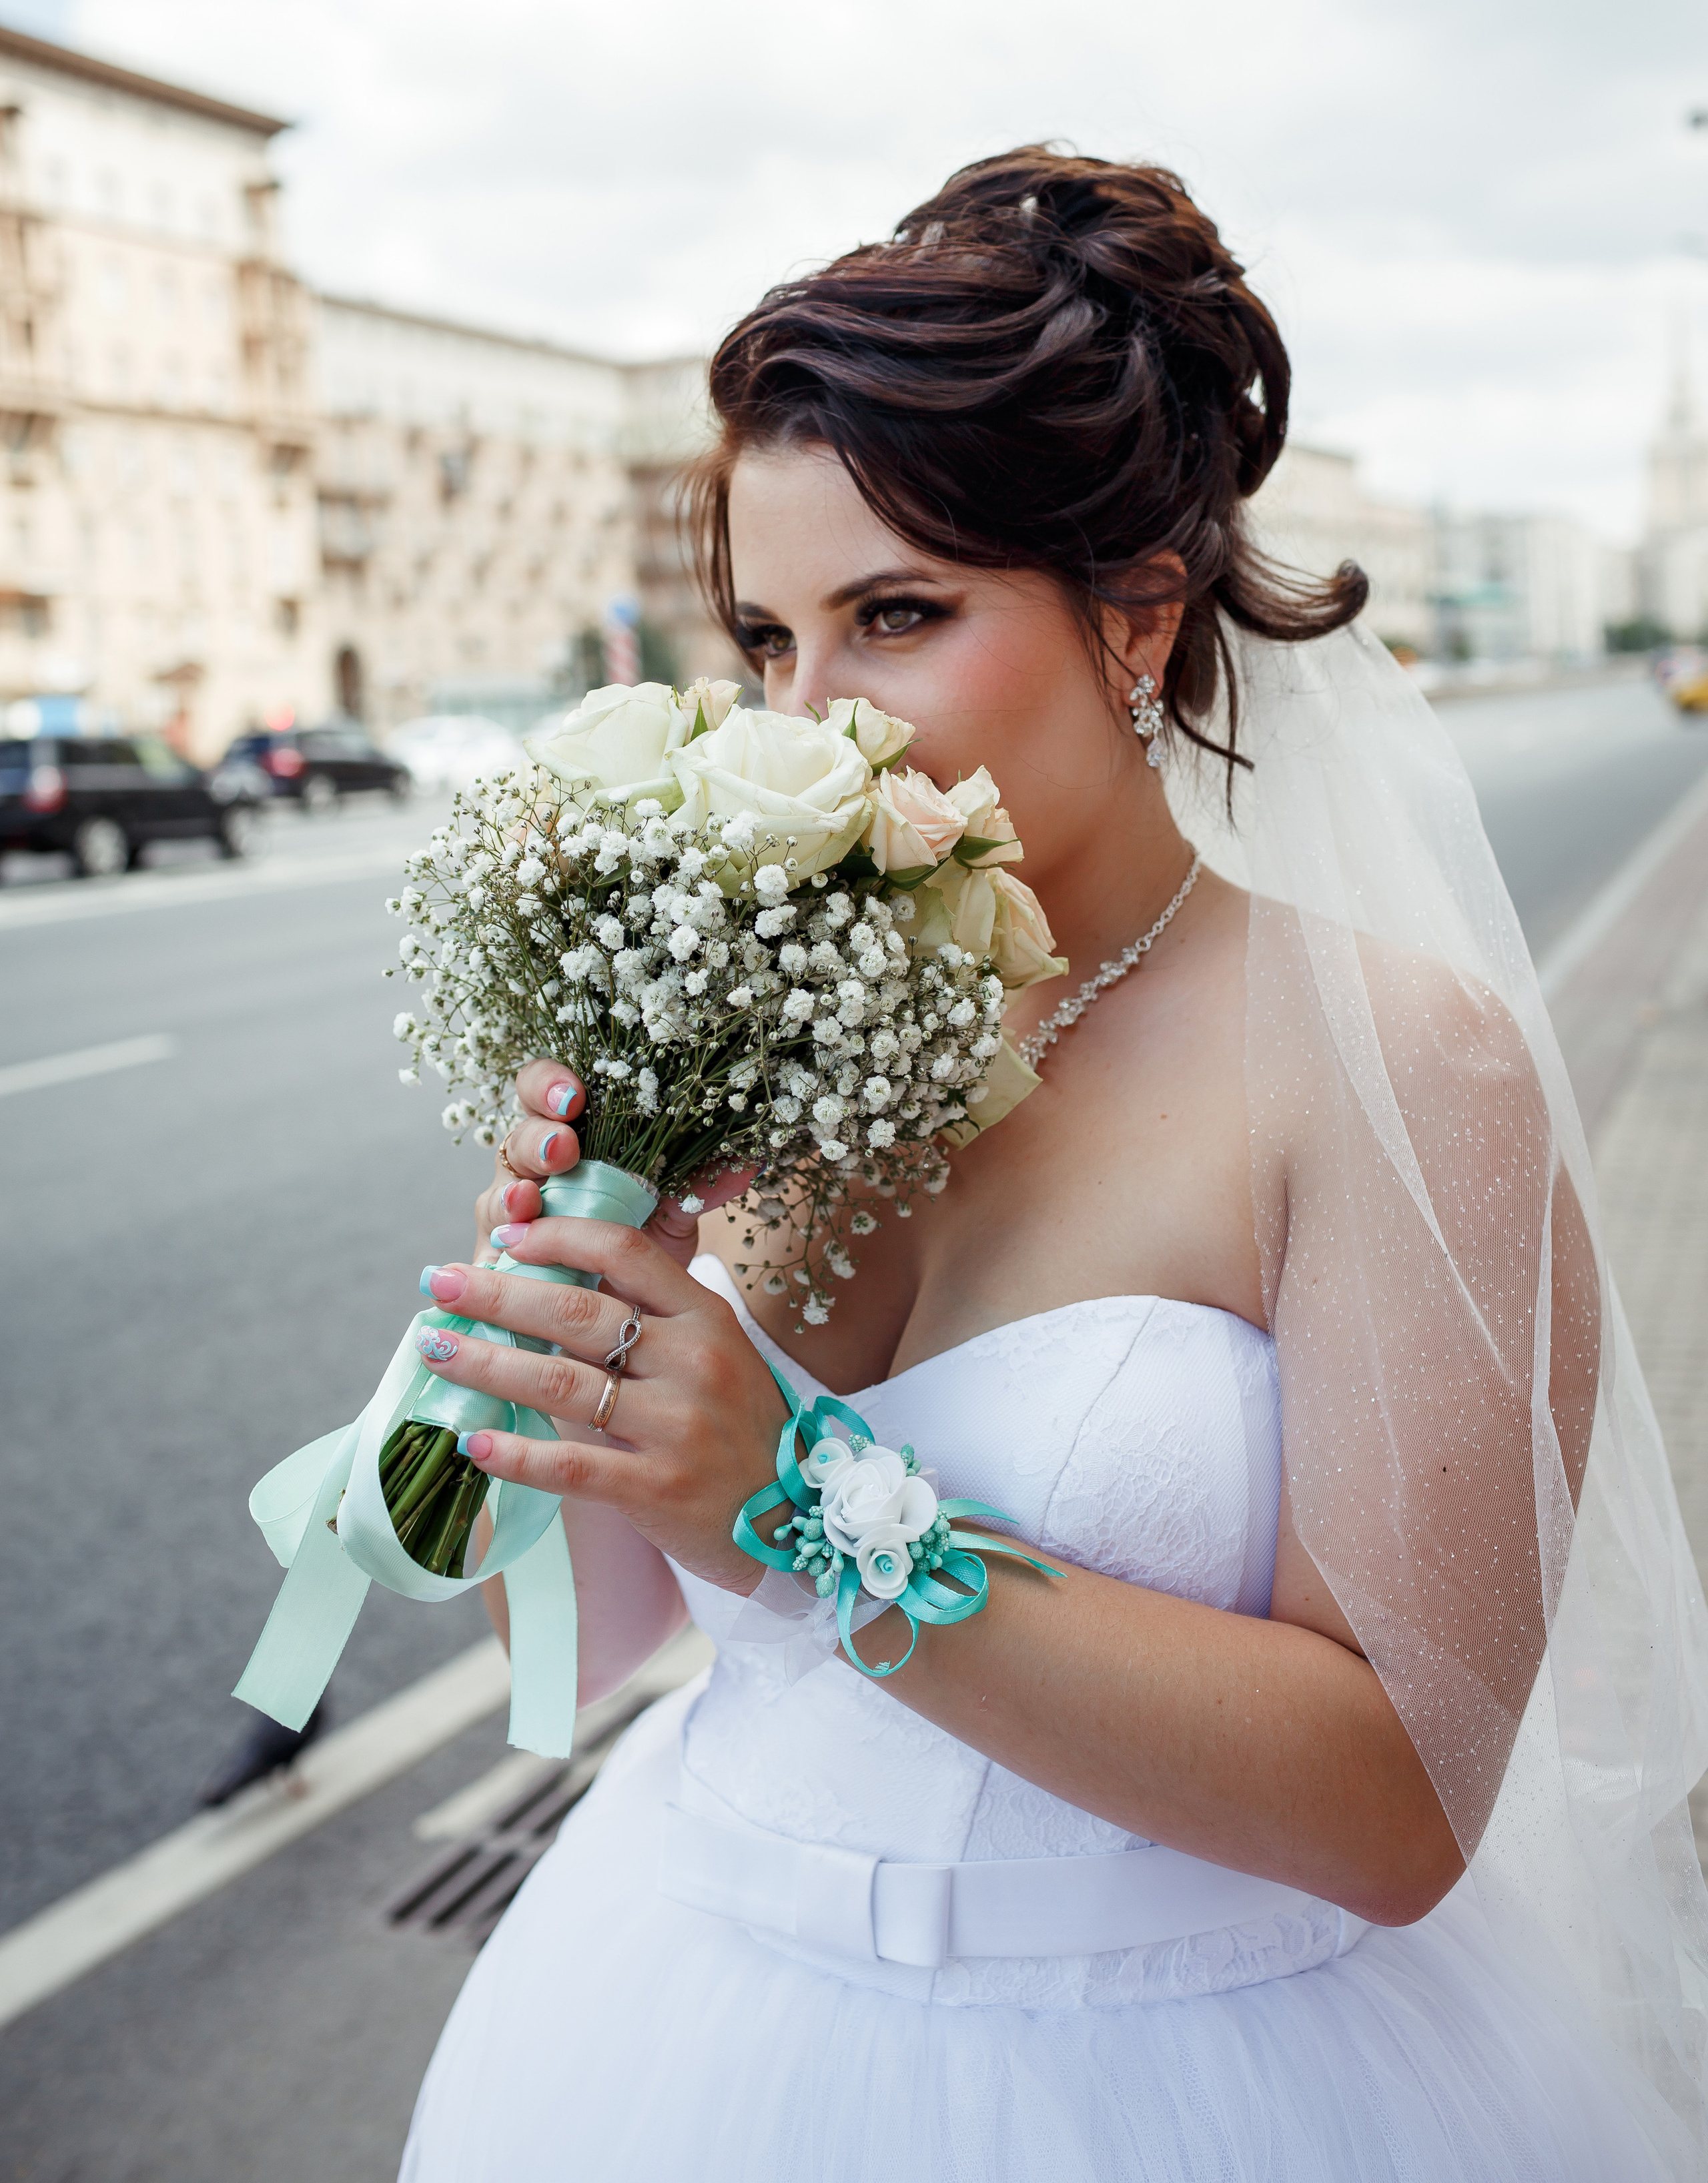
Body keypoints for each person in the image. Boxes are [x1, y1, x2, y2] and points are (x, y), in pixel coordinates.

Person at [398, 151, 1708, 2179]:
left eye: (897, 617)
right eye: (767, 642)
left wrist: (797, 1504)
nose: (814, 719)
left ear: (1138, 615)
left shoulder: (1390, 1065)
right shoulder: (768, 1031)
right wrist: (565, 1323)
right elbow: (575, 1664)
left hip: (1180, 2077)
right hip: (676, 2010)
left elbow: (1399, 1811)